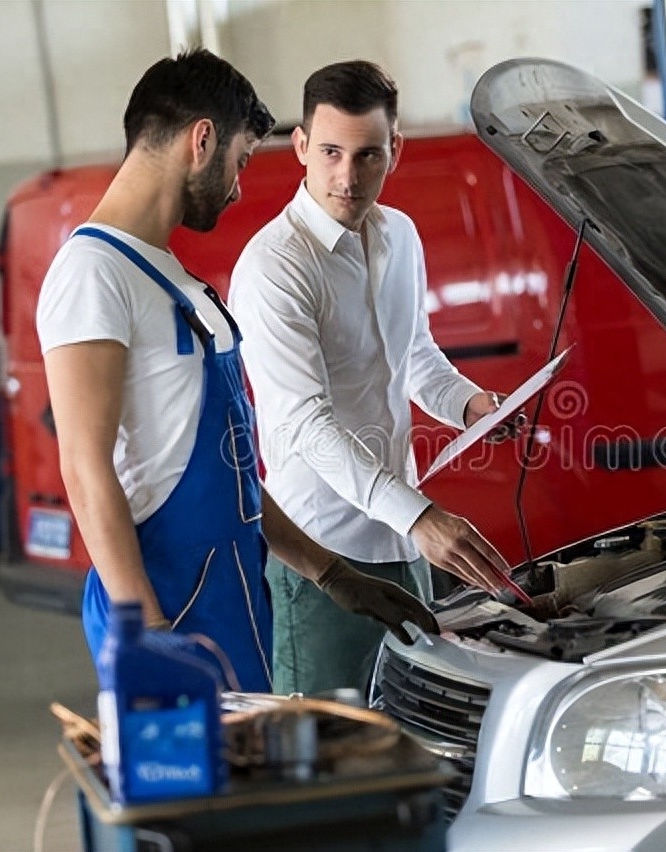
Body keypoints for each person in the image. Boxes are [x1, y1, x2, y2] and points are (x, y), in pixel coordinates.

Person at [37, 49, 437, 694]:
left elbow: (236, 471)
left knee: (265, 785)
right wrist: (149, 629)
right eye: (242, 159)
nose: (240, 185)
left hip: (229, 585)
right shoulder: (93, 273)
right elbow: (85, 471)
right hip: (167, 598)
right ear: (202, 140)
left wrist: (329, 572)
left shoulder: (170, 275)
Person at [228, 60, 516, 696]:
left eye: (367, 156)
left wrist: (471, 406)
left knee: (413, 732)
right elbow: (305, 423)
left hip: (400, 547)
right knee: (331, 756)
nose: (347, 176)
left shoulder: (399, 236)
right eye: (329, 152)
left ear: (395, 151)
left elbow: (414, 355)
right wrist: (419, 517)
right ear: (300, 146)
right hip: (323, 555)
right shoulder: (275, 267)